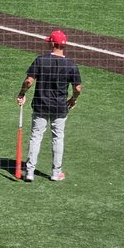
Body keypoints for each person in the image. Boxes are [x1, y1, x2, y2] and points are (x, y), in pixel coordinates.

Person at [17, 30, 82, 181]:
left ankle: (30, 172)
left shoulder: (41, 60)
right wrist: (73, 99)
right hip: (60, 107)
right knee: (58, 138)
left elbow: (28, 81)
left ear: (52, 44)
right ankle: (55, 172)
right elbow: (78, 88)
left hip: (40, 105)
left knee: (35, 137)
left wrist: (22, 93)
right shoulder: (71, 65)